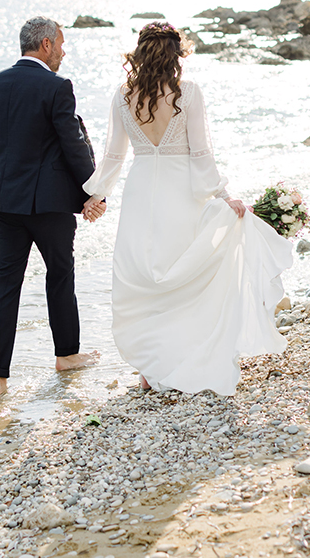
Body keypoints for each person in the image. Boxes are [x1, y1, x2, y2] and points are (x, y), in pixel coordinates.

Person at [82, 22, 293, 396]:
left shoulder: (122, 95)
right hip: (181, 194)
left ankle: (149, 368)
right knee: (181, 278)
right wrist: (222, 194)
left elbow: (115, 155)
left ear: (141, 53)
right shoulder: (188, 93)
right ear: (176, 56)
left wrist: (96, 193)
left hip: (141, 191)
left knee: (143, 278)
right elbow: (200, 153)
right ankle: (179, 358)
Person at [0, 16, 105, 398]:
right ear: (45, 45)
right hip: (48, 204)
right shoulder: (57, 86)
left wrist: (6, 183)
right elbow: (72, 145)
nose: (63, 51)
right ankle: (66, 355)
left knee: (4, 280)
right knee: (60, 273)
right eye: (61, 43)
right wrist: (93, 193)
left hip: (2, 199)